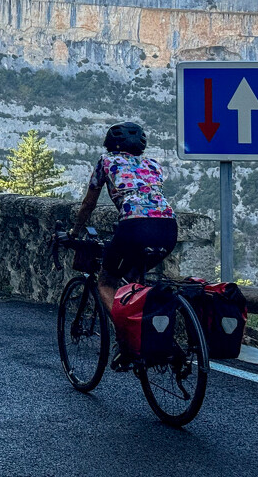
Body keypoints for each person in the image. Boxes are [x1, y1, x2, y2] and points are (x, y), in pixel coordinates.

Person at [70, 121, 177, 365]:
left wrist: (75, 231)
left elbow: (88, 204)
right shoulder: (153, 164)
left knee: (107, 282)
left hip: (134, 227)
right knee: (135, 281)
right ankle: (152, 335)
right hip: (168, 228)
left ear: (110, 144)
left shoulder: (106, 162)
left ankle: (128, 340)